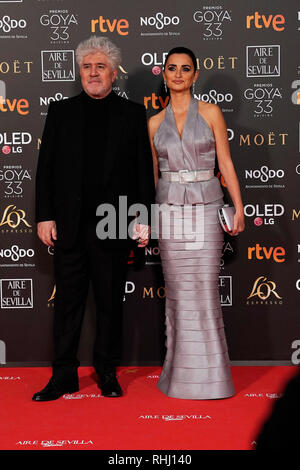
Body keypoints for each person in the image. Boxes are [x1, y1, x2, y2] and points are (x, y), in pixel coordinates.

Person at [33, 36, 155, 401]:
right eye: (86, 66)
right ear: (79, 72)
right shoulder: (60, 111)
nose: (93, 73)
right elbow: (46, 170)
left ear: (113, 73)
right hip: (69, 225)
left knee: (109, 303)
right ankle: (64, 376)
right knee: (68, 304)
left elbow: (142, 174)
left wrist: (142, 217)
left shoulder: (133, 114)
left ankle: (107, 373)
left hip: (114, 222)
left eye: (100, 66)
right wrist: (44, 217)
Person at [148, 47, 244, 399]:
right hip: (170, 211)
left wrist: (239, 206)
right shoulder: (154, 123)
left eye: (185, 68)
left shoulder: (212, 113)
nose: (178, 74)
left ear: (195, 74)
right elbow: (150, 178)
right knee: (178, 294)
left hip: (207, 208)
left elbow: (226, 164)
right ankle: (179, 376)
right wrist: (144, 219)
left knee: (204, 289)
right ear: (164, 74)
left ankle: (213, 377)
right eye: (171, 68)